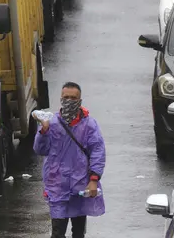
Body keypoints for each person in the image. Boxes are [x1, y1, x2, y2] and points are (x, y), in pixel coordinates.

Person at [34, 82, 106, 238]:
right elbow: (40, 150)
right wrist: (43, 132)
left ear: (80, 101)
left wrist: (94, 179)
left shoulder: (89, 125)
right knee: (57, 232)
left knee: (78, 233)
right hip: (57, 186)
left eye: (73, 98)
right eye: (66, 97)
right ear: (60, 98)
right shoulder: (51, 123)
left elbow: (97, 152)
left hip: (79, 185)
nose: (69, 101)